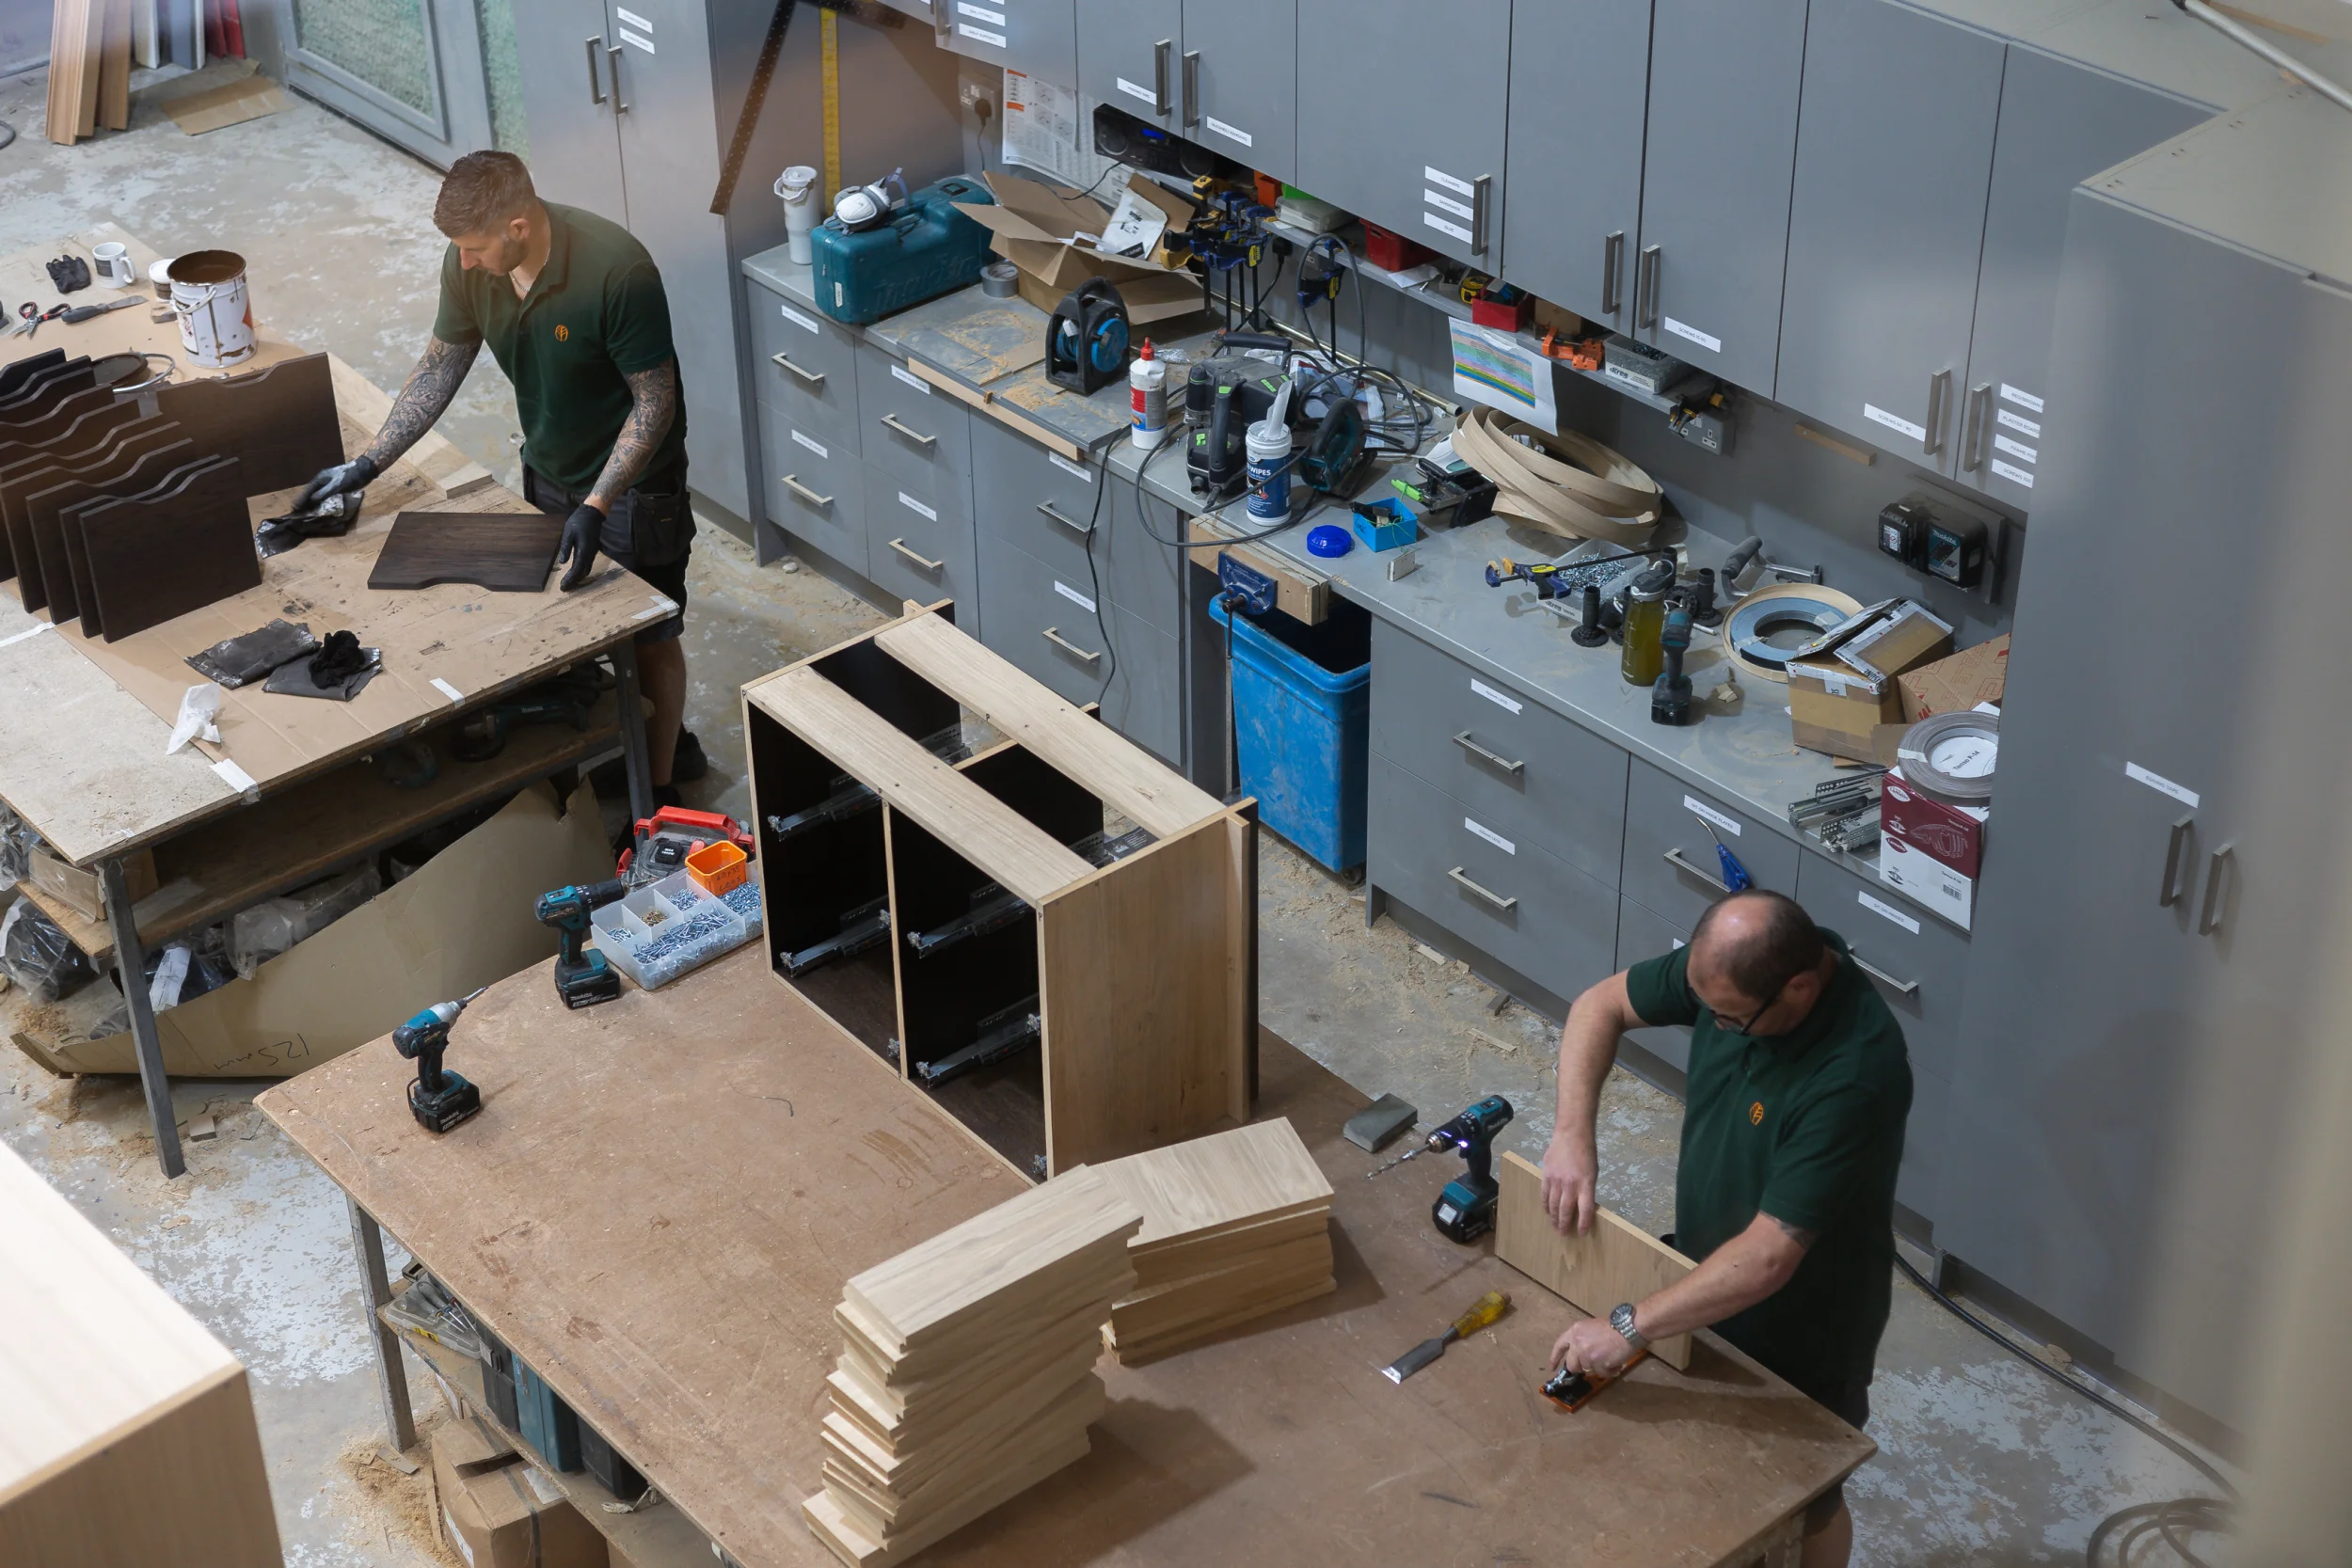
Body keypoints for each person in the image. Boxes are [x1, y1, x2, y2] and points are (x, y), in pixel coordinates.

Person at [296, 150, 706, 804]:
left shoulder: (616, 270)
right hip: (548, 468)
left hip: (633, 490)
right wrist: (368, 462)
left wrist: (599, 502)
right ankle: (660, 735)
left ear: (519, 226)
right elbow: (439, 367)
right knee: (571, 621)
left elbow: (656, 403)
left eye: (475, 247)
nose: (464, 262)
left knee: (649, 634)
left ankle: (661, 791)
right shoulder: (473, 267)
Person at [1539, 890, 1911, 1568]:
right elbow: (1601, 1003)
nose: (1715, 1025)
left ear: (1799, 987)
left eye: (1731, 1021)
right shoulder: (1735, 967)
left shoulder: (1855, 1073)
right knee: (1703, 1479)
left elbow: (1769, 1256)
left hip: (1805, 1323)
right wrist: (1571, 1134)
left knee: (1806, 1496)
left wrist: (1628, 1325)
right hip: (1703, 1273)